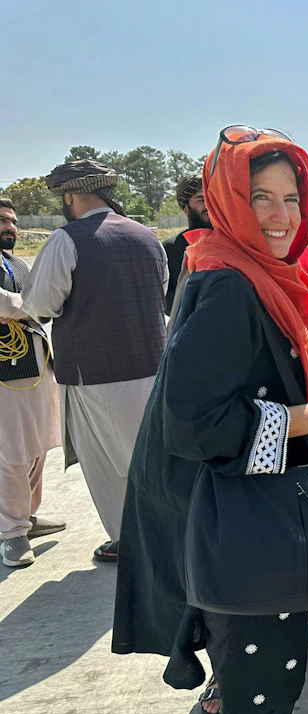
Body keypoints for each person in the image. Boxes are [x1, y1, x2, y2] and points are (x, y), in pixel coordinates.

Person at [112, 129, 308, 714]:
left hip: (245, 517)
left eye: (292, 198)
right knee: (259, 707)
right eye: (261, 199)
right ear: (227, 203)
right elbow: (195, 423)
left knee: (262, 699)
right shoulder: (231, 285)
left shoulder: (246, 269)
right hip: (241, 529)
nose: (281, 217)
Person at [0, 160, 168, 563]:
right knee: (153, 457)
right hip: (155, 368)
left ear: (71, 196)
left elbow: (40, 305)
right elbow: (159, 292)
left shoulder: (66, 239)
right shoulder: (147, 235)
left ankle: (134, 541)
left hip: (95, 375)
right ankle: (165, 536)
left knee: (112, 466)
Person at [0, 198, 64, 567]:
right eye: (2, 220)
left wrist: (35, 301)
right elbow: (14, 304)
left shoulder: (17, 262)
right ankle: (12, 533)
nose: (11, 226)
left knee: (37, 443)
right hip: (3, 376)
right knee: (10, 451)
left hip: (34, 367)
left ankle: (27, 515)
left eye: (12, 219)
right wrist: (37, 300)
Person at [163, 175, 212, 313]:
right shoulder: (170, 248)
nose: (209, 205)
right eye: (201, 200)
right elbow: (167, 296)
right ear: (186, 209)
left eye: (212, 198)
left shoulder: (232, 242)